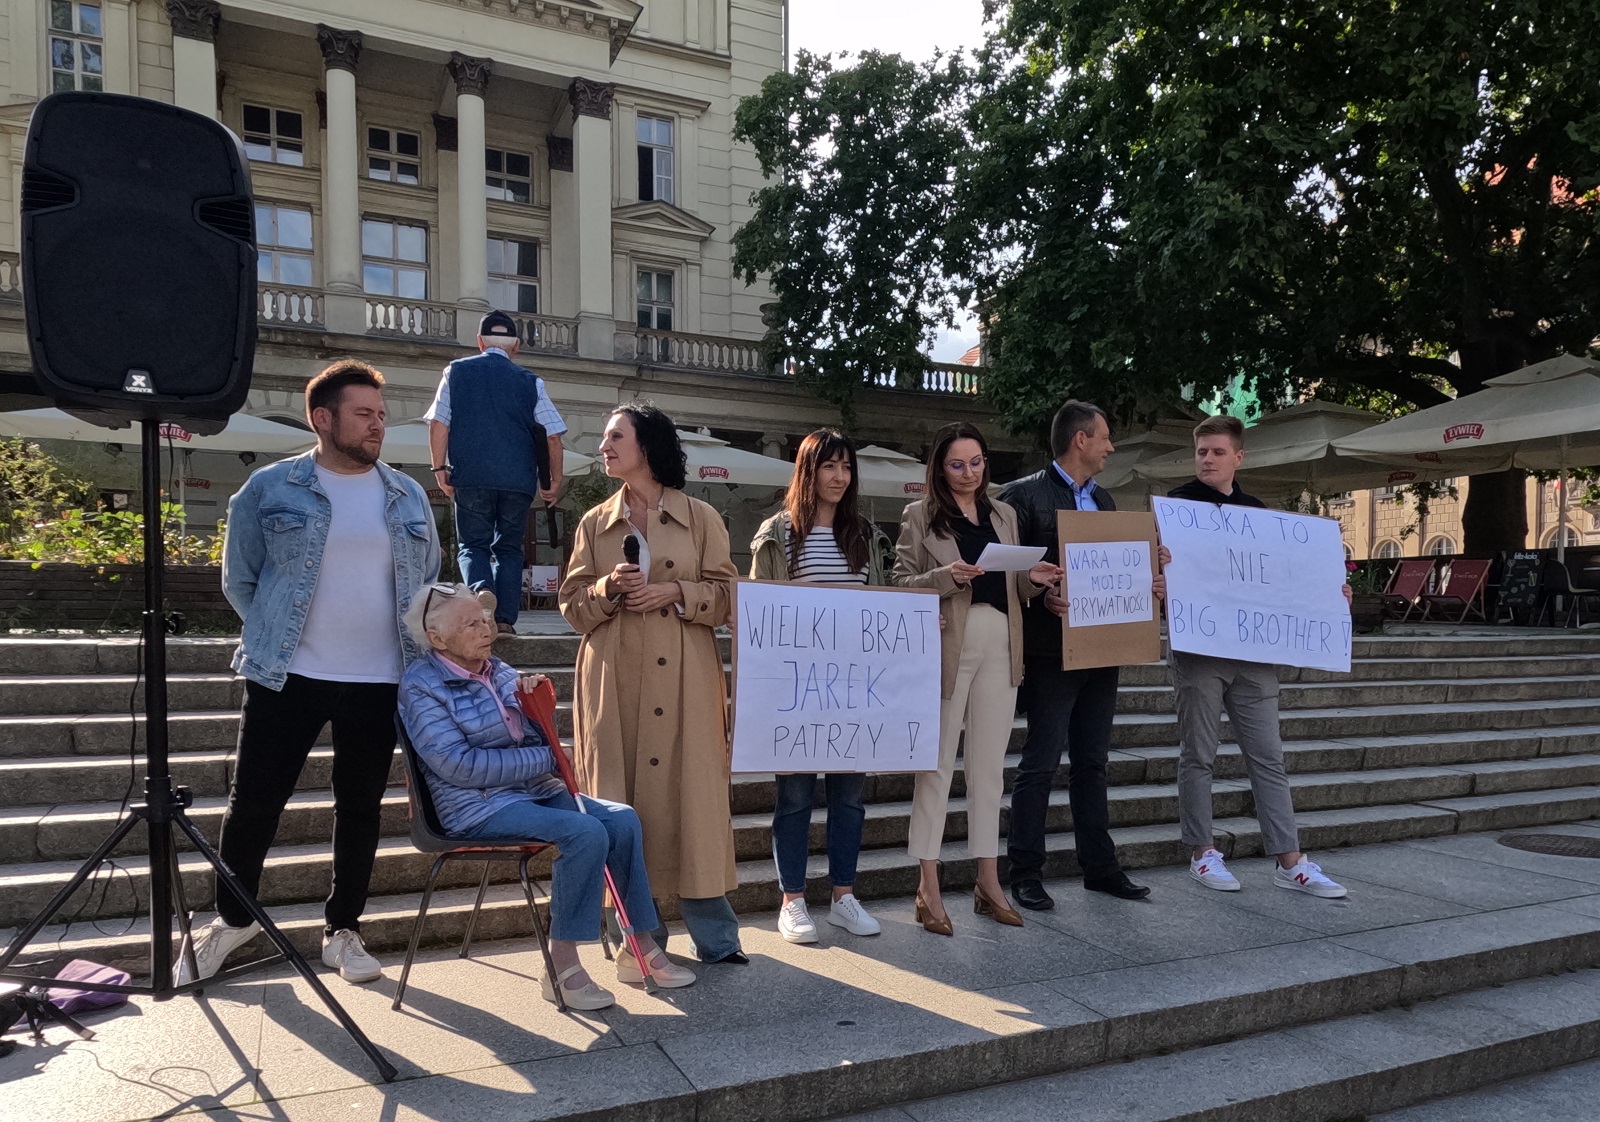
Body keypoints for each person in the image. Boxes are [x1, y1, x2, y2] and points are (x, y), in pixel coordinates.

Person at [182, 361, 441, 985]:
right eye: (364, 414)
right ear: (322, 418)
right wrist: (280, 636)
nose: (378, 425)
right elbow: (241, 580)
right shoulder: (269, 488)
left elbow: (427, 579)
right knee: (254, 803)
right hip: (288, 675)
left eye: (381, 415)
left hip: (381, 678)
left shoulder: (406, 495)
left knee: (361, 808)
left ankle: (342, 930)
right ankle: (233, 922)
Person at [399, 582, 696, 1009]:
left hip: (533, 792)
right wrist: (545, 757)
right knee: (584, 832)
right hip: (476, 805)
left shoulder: (498, 669)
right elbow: (458, 766)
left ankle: (638, 943)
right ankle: (561, 965)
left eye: (484, 620)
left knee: (621, 818)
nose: (485, 630)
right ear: (437, 638)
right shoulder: (421, 685)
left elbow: (539, 738)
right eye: (470, 624)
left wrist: (537, 705)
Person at [559, 404, 746, 964]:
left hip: (688, 677)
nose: (604, 446)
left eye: (615, 436)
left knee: (696, 800)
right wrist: (608, 590)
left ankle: (717, 938)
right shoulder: (594, 523)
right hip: (612, 678)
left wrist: (676, 592)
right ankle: (637, 938)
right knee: (618, 801)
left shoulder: (702, 518)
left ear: (648, 445)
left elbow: (729, 596)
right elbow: (572, 606)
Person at [1165, 414, 1350, 898]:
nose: (1207, 459)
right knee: (1198, 753)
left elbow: (1286, 580)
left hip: (1253, 651)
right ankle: (1202, 852)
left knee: (1268, 756)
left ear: (1238, 457)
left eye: (1217, 452)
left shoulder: (1257, 513)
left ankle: (1290, 860)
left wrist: (1331, 596)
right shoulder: (1175, 506)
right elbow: (1155, 571)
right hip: (1200, 648)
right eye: (1201, 451)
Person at [894, 423, 1063, 935]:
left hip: (1002, 644)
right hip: (949, 646)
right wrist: (947, 577)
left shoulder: (1004, 513)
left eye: (976, 462)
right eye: (957, 464)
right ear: (939, 468)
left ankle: (989, 882)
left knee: (989, 770)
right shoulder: (919, 515)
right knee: (936, 767)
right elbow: (900, 584)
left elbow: (1013, 585)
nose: (969, 473)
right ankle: (927, 886)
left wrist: (1033, 580)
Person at [998, 400, 1165, 910]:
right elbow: (1005, 576)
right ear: (1081, 440)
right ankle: (1025, 872)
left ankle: (1101, 868)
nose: (1111, 446)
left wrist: (1148, 576)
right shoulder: (1021, 497)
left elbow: (1112, 569)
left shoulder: (1106, 500)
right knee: (1041, 763)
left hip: (1102, 649)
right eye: (1106, 437)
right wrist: (1039, 594)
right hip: (1050, 653)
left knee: (1092, 763)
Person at [749, 429, 895, 944]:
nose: (839, 477)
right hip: (797, 688)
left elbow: (884, 602)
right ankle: (791, 900)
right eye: (829, 466)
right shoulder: (778, 533)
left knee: (849, 798)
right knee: (793, 796)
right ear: (807, 472)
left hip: (856, 687)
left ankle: (843, 897)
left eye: (847, 467)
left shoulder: (867, 535)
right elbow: (761, 609)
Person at [426, 310, 567, 636]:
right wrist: (554, 480)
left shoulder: (456, 372)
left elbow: (438, 423)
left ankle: (480, 590)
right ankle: (504, 619)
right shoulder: (531, 381)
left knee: (472, 545)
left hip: (472, 476)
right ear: (516, 346)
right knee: (509, 549)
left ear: (479, 342)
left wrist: (439, 468)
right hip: (518, 481)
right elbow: (553, 435)